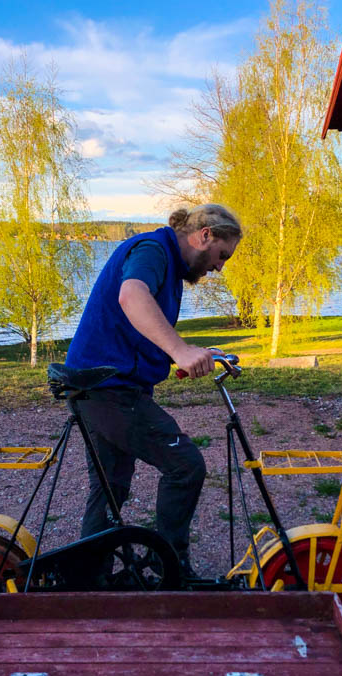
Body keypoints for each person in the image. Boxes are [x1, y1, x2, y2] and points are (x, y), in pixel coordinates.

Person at [65, 203, 242, 578]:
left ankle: (87, 579)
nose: (219, 267)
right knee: (186, 466)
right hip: (108, 390)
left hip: (101, 387)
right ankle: (172, 571)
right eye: (221, 255)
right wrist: (178, 350)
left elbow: (144, 326)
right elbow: (131, 296)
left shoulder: (166, 262)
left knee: (110, 486)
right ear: (204, 235)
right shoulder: (152, 250)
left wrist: (193, 351)